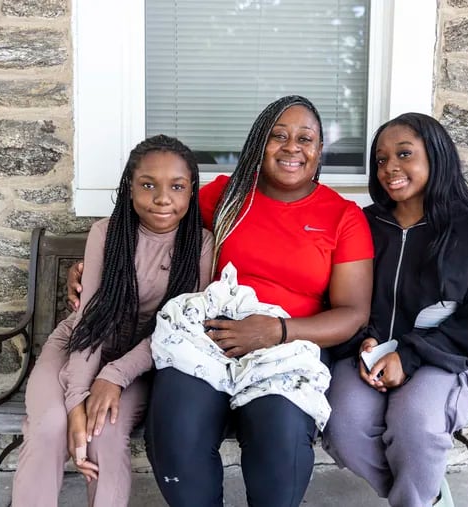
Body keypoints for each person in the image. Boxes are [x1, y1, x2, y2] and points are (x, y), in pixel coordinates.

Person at [67, 95, 374, 506]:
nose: (292, 147)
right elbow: (156, 222)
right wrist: (93, 265)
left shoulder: (342, 216)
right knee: (176, 427)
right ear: (258, 143)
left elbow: (353, 313)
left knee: (279, 434)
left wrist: (277, 330)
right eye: (278, 135)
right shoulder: (224, 197)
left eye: (306, 138)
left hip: (289, 346)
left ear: (319, 151)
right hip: (206, 339)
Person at [12, 135, 214, 507]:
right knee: (50, 426)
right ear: (130, 187)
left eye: (177, 186)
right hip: (80, 344)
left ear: (191, 191)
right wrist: (76, 402)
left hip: (141, 360)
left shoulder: (200, 246)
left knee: (103, 429)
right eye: (148, 184)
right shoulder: (106, 234)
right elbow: (90, 322)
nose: (163, 198)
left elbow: (178, 332)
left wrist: (114, 376)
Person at [322, 113, 468, 507]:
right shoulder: (363, 224)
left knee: (416, 426)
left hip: (439, 358)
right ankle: (429, 496)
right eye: (382, 160)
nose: (391, 169)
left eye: (404, 154)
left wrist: (408, 355)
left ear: (436, 157)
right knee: (342, 427)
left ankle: (416, 498)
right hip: (365, 354)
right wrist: (362, 341)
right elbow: (339, 297)